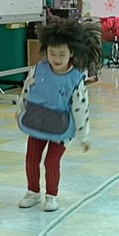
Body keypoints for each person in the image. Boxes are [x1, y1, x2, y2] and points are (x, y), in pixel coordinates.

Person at [16, 20, 101, 212]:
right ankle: (33, 191)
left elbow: (81, 108)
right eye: (52, 53)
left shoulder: (75, 78)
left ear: (71, 53)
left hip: (62, 128)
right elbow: (27, 90)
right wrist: (21, 110)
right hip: (38, 121)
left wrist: (83, 136)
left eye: (62, 54)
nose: (56, 58)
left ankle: (51, 195)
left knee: (51, 162)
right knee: (31, 158)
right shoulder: (39, 69)